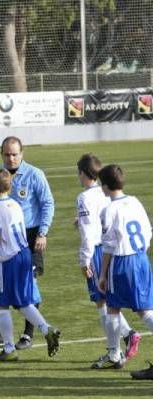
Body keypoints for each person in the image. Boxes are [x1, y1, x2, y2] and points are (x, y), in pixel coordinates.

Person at [0, 136, 54, 349]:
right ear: (1, 154)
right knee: (1, 286)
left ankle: (28, 334)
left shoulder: (34, 175)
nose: (11, 158)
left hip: (29, 236)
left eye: (14, 154)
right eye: (7, 154)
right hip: (6, 236)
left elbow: (47, 203)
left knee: (29, 285)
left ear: (22, 153)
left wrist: (43, 233)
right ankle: (4, 333)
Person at [75, 154, 140, 367]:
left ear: (84, 174)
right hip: (114, 251)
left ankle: (121, 343)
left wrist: (84, 260)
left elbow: (87, 232)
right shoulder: (106, 193)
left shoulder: (84, 198)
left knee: (102, 303)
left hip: (97, 251)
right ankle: (121, 344)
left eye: (79, 174)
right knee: (110, 301)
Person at [94, 165, 153, 376]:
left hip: (121, 261)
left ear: (105, 186)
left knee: (113, 308)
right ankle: (114, 354)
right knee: (145, 310)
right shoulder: (135, 201)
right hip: (141, 258)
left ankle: (114, 354)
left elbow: (109, 246)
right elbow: (147, 231)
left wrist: (102, 274)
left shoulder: (108, 210)